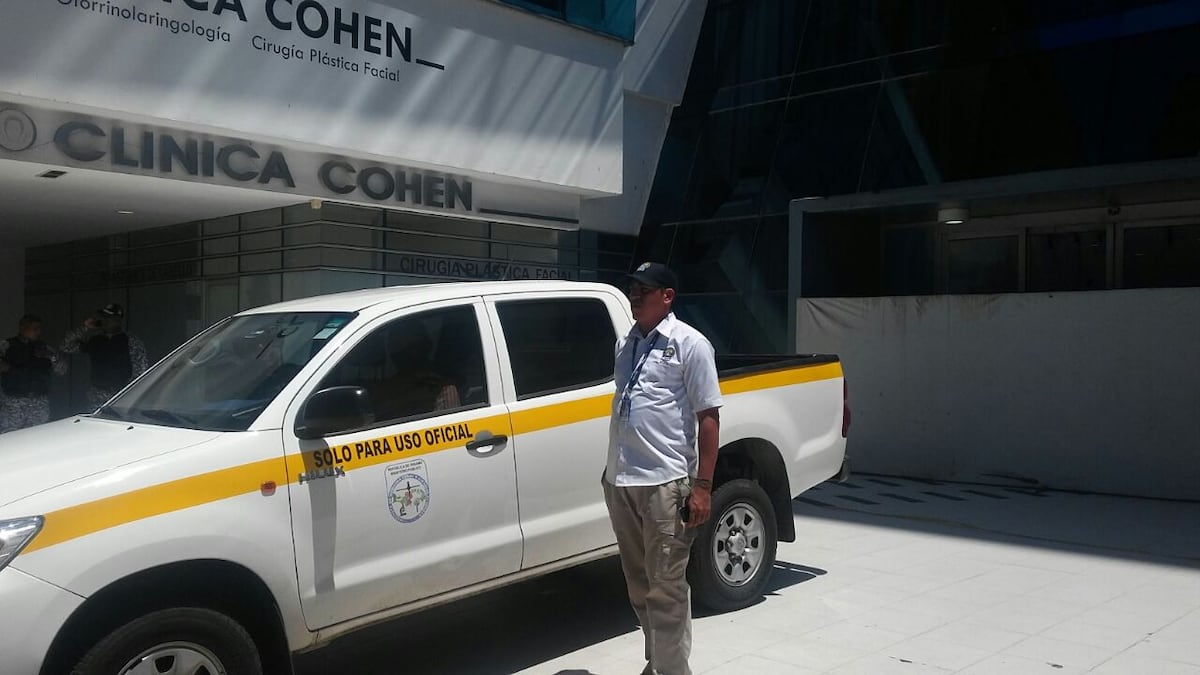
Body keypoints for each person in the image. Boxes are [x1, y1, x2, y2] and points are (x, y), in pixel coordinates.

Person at [603, 262, 723, 675]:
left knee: (667, 588)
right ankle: (658, 663)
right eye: (633, 289)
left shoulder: (690, 344)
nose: (635, 296)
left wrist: (703, 486)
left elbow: (709, 418)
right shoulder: (626, 343)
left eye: (645, 290)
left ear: (667, 296)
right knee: (640, 586)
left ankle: (672, 671)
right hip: (622, 480)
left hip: (665, 484)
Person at [60, 303, 148, 409]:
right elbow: (66, 346)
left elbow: (141, 371)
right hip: (97, 395)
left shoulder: (131, 341)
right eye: (104, 317)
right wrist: (85, 328)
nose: (105, 321)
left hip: (120, 395)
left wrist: (128, 393)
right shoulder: (95, 339)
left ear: (118, 320)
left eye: (109, 318)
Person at [0, 314, 62, 433]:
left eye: (39, 329)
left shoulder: (44, 347)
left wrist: (50, 356)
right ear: (22, 328)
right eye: (35, 329)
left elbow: (62, 369)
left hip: (39, 402)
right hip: (14, 403)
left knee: (37, 436)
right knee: (10, 437)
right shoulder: (7, 345)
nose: (38, 332)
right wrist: (7, 367)